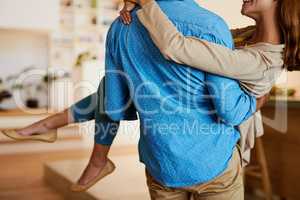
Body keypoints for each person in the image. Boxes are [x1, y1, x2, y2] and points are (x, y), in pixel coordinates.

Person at [0, 0, 274, 199]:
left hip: (161, 164)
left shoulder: (122, 26)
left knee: (107, 92)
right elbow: (231, 112)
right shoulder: (210, 25)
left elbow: (113, 101)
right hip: (214, 162)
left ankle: (54, 128)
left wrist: (99, 155)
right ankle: (54, 129)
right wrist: (258, 98)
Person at [120, 0, 300, 166]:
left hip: (221, 145)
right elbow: (200, 36)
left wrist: (145, 2)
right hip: (206, 135)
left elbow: (174, 47)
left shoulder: (261, 61)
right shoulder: (250, 34)